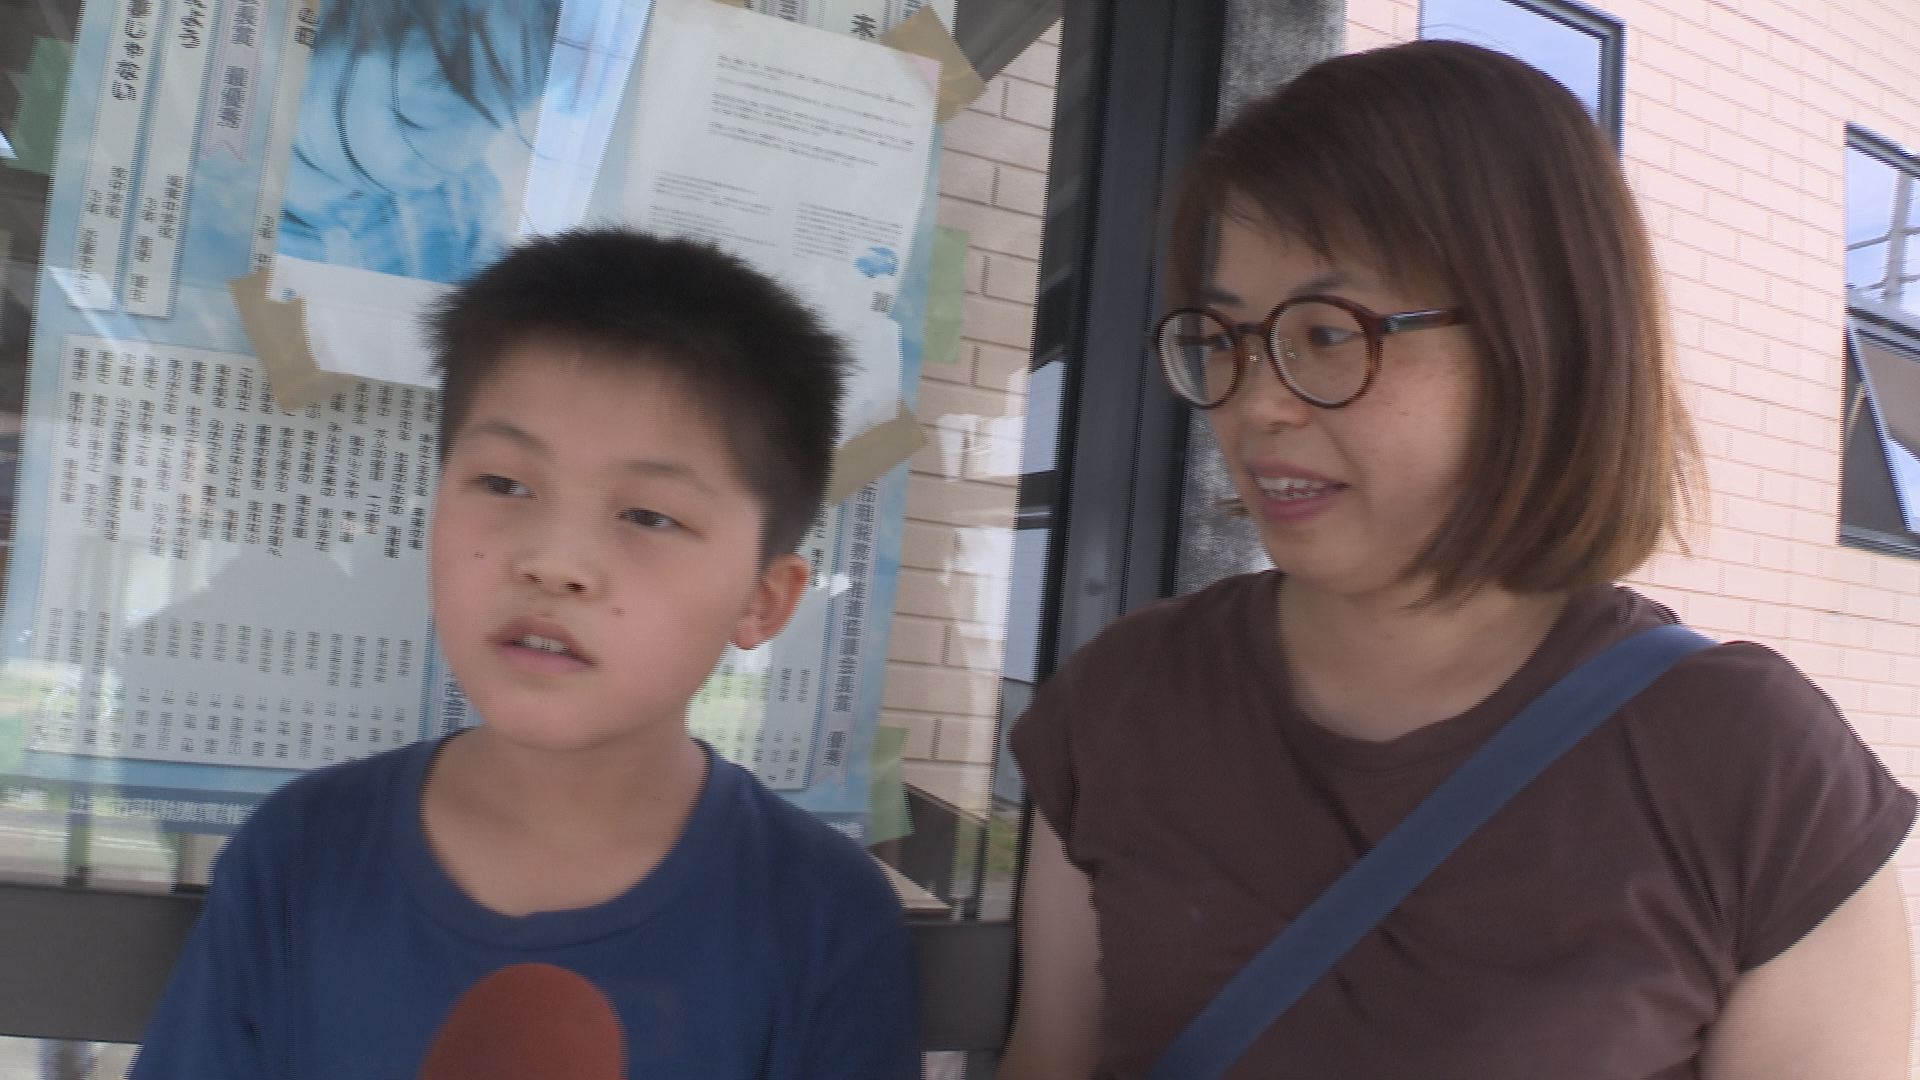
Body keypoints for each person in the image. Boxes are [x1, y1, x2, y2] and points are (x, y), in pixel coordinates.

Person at [1001, 41, 1916, 1080]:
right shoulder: (1127, 700)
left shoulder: (1754, 768)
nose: (1256, 403)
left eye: (1327, 334)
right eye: (1224, 338)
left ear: (1539, 340)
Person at [129, 228, 922, 1079]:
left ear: (763, 599)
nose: (553, 561)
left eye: (649, 515)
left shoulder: (822, 917)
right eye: (504, 484)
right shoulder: (300, 856)